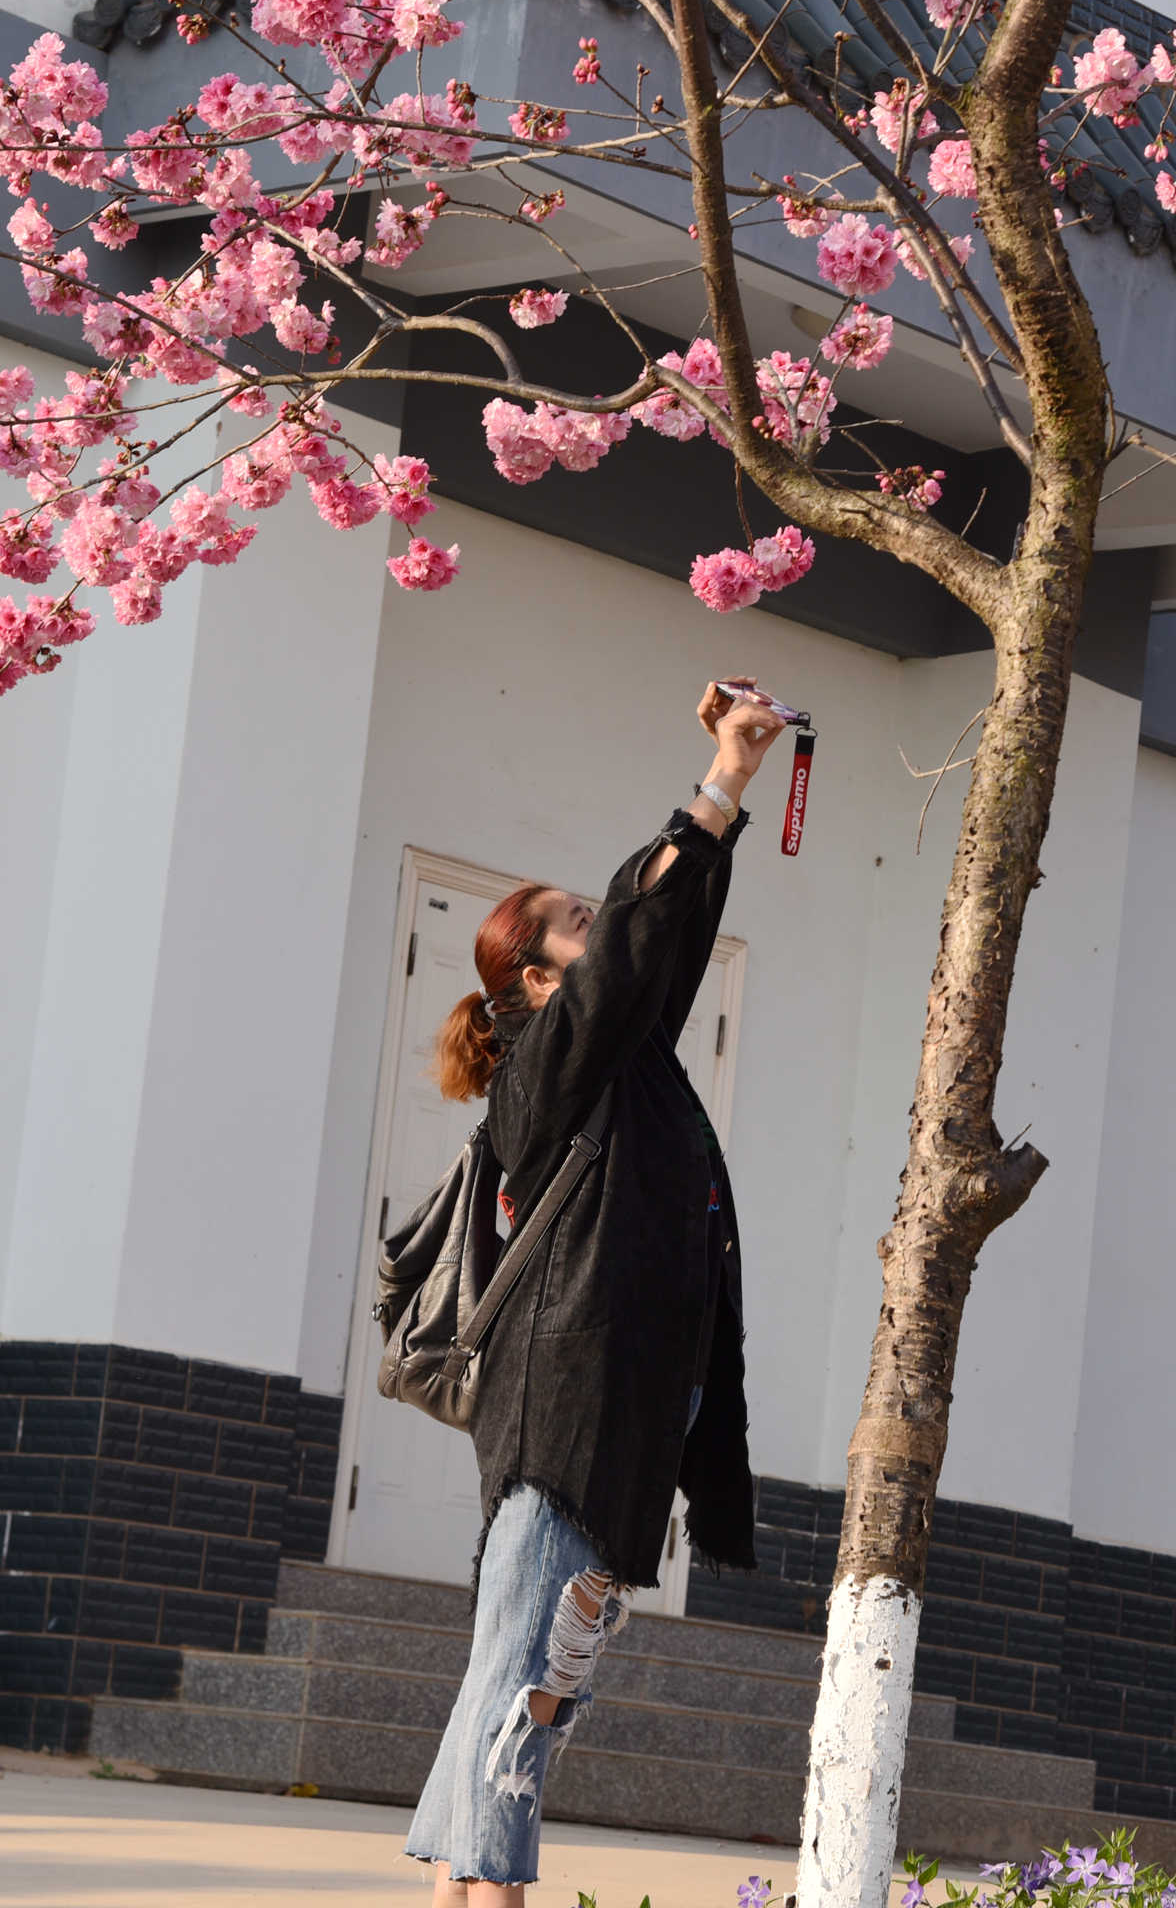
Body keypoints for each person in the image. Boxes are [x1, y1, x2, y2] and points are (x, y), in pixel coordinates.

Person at [404, 678, 785, 1906]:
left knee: (522, 1665)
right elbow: (634, 944)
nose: (604, 919)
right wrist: (712, 786)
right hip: (566, 1418)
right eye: (574, 920)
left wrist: (732, 795)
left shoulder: (626, 1064)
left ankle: (457, 1889)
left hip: (614, 1416)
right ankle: (494, 1893)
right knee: (530, 1675)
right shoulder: (545, 1068)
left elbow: (659, 944)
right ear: (532, 980)